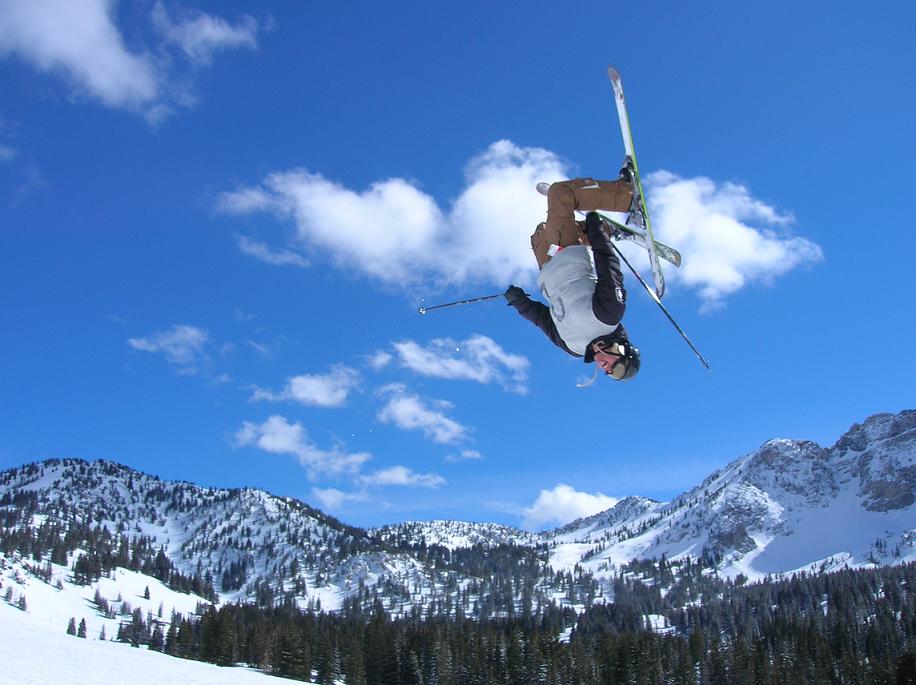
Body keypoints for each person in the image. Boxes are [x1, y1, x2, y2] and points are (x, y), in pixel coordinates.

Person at [504, 174, 641, 382]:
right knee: (561, 194)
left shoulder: (573, 347)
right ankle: (628, 196)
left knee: (539, 234)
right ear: (622, 351)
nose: (607, 370)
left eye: (611, 375)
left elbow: (544, 321)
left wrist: (518, 302)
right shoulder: (609, 315)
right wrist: (596, 232)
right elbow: (607, 265)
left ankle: (608, 229)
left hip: (547, 265)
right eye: (618, 368)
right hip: (567, 254)